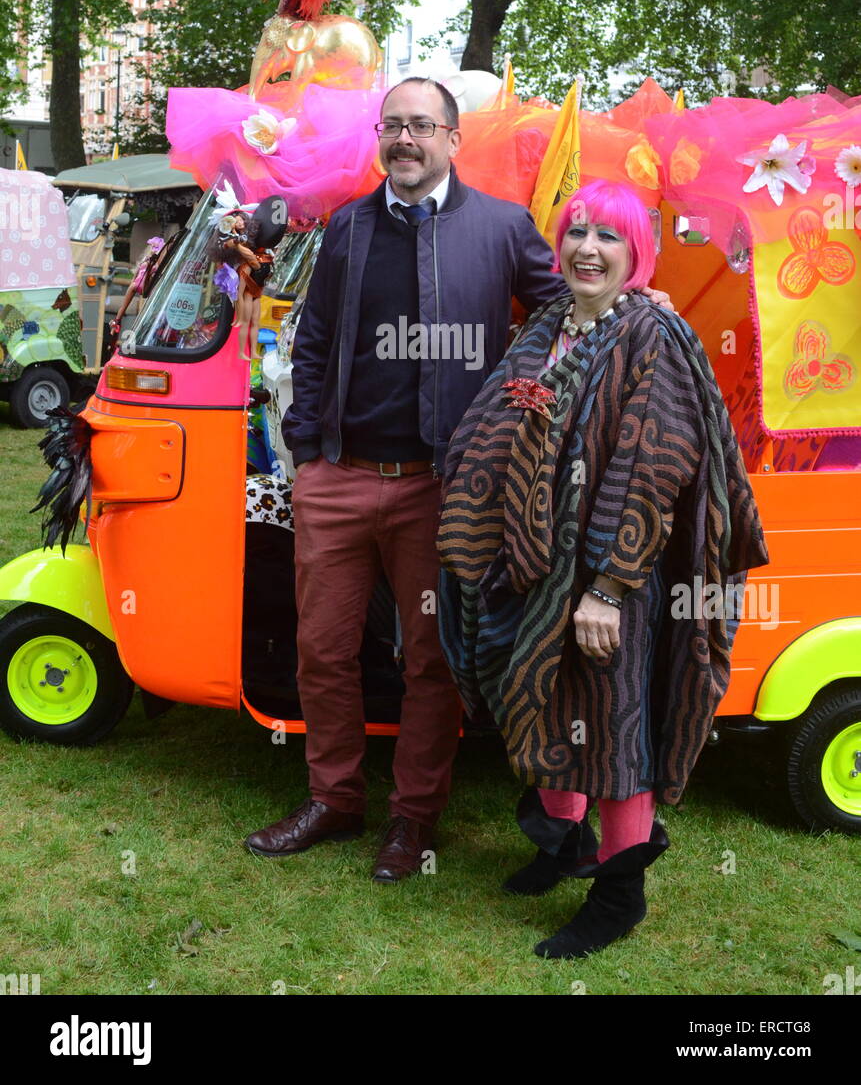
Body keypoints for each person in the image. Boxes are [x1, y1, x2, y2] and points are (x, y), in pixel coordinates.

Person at [243, 84, 672, 881]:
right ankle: (333, 799)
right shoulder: (346, 226)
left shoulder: (502, 228)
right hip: (337, 476)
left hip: (443, 490)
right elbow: (315, 338)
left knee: (431, 660)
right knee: (323, 651)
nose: (404, 140)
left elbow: (567, 311)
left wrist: (634, 304)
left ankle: (413, 822)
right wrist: (306, 451)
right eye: (393, 126)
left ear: (451, 137)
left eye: (420, 126)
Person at [437, 180, 768, 956]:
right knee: (553, 707)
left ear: (637, 251)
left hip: (614, 576)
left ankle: (619, 894)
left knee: (618, 734)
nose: (588, 248)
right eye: (576, 232)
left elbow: (652, 464)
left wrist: (608, 589)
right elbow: (495, 417)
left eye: (608, 237)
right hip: (539, 568)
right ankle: (564, 845)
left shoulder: (653, 333)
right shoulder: (552, 320)